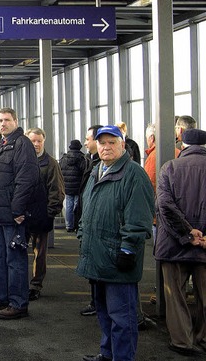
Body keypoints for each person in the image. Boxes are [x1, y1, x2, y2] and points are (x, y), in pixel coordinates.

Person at [77, 125, 154, 361]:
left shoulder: (133, 174)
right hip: (97, 257)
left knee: (123, 317)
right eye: (102, 143)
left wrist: (128, 249)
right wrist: (82, 234)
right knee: (104, 312)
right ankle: (107, 354)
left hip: (118, 259)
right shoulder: (97, 171)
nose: (106, 147)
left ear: (123, 145)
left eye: (112, 142)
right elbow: (87, 209)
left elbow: (140, 217)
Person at [0, 107, 40, 320]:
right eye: (0, 121)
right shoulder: (1, 145)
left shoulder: (22, 144)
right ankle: (1, 296)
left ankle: (18, 303)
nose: (3, 124)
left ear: (16, 120)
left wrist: (18, 209)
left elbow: (27, 178)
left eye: (6, 120)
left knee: (15, 259)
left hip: (13, 216)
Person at [155, 128, 206, 357]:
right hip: (204, 245)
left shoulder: (169, 167)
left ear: (182, 144)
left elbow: (165, 206)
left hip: (174, 245)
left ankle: (182, 341)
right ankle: (203, 337)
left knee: (175, 295)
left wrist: (187, 233)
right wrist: (202, 236)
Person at [25, 128, 64, 301]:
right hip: (23, 215)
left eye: (39, 140)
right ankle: (19, 283)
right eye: (33, 140)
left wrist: (50, 214)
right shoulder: (21, 162)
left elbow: (57, 190)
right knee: (18, 250)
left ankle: (35, 285)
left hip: (41, 215)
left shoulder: (51, 163)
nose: (36, 144)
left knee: (39, 253)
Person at [77, 124, 103, 317]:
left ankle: (98, 303)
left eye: (88, 139)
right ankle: (96, 302)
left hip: (98, 227)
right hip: (88, 224)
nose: (85, 142)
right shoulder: (90, 162)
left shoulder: (97, 165)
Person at [59, 139, 86, 232]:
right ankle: (76, 225)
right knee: (77, 206)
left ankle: (69, 225)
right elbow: (84, 171)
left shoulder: (64, 158)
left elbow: (60, 170)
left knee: (68, 205)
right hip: (78, 186)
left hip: (67, 186)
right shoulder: (82, 158)